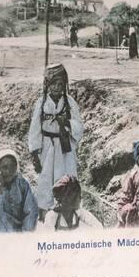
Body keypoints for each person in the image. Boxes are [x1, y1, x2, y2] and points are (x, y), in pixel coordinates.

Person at [28, 63, 84, 220]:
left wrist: (67, 123)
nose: (57, 88)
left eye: (60, 84)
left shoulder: (69, 103)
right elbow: (35, 127)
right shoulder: (41, 103)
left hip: (65, 148)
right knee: (46, 179)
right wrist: (34, 152)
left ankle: (69, 211)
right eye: (54, 84)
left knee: (66, 178)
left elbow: (79, 126)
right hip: (47, 146)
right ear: (47, 84)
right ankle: (46, 215)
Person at [0, 149, 38, 233]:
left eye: (12, 167)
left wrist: (25, 235)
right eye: (4, 167)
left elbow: (31, 211)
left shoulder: (22, 184)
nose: (9, 171)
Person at [37, 175, 103, 231]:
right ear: (66, 198)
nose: (80, 198)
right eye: (77, 196)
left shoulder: (79, 213)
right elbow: (46, 239)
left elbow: (99, 227)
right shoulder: (53, 216)